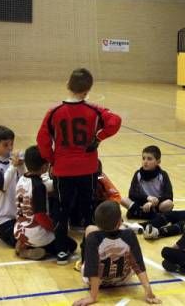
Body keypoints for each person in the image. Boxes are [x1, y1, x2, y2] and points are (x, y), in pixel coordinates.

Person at [36, 68, 122, 264]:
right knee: (87, 211)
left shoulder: (54, 112)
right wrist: (98, 137)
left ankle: (61, 251)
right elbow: (115, 121)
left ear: (68, 84)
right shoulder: (94, 110)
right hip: (87, 169)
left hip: (63, 170)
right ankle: (88, 253)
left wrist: (52, 159)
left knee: (62, 210)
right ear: (88, 89)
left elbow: (42, 140)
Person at [74, 201, 160, 306]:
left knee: (89, 229)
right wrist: (149, 292)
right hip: (122, 279)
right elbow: (138, 264)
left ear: (96, 222)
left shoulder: (92, 237)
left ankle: (83, 261)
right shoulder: (130, 234)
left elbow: (93, 269)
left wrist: (93, 297)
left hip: (96, 282)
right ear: (119, 222)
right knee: (125, 234)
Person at [14, 145, 77, 260]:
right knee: (71, 245)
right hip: (36, 234)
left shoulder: (22, 180)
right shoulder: (38, 187)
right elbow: (40, 216)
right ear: (44, 167)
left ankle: (24, 244)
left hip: (19, 230)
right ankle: (30, 251)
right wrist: (55, 228)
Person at [125, 145, 174, 220]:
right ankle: (153, 215)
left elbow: (169, 195)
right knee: (123, 200)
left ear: (158, 161)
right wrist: (147, 198)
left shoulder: (163, 175)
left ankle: (139, 213)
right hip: (142, 203)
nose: (145, 161)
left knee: (169, 204)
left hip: (156, 205)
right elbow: (132, 194)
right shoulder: (138, 174)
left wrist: (152, 202)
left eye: (149, 159)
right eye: (143, 158)